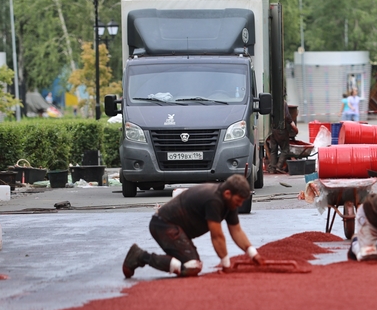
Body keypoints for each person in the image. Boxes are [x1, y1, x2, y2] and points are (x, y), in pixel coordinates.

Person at [122, 175, 265, 278]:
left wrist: (253, 254)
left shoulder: (229, 202)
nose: (240, 205)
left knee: (192, 265)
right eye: (238, 201)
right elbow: (217, 235)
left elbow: (236, 230)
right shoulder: (214, 200)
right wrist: (226, 264)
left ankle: (161, 257)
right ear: (228, 193)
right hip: (163, 225)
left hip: (177, 229)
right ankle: (140, 256)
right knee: (192, 266)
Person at [265, 101, 298, 174]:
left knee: (273, 150)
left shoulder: (271, 103)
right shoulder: (283, 103)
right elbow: (287, 115)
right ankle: (279, 166)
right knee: (285, 150)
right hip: (281, 130)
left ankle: (272, 168)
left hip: (272, 130)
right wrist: (292, 124)